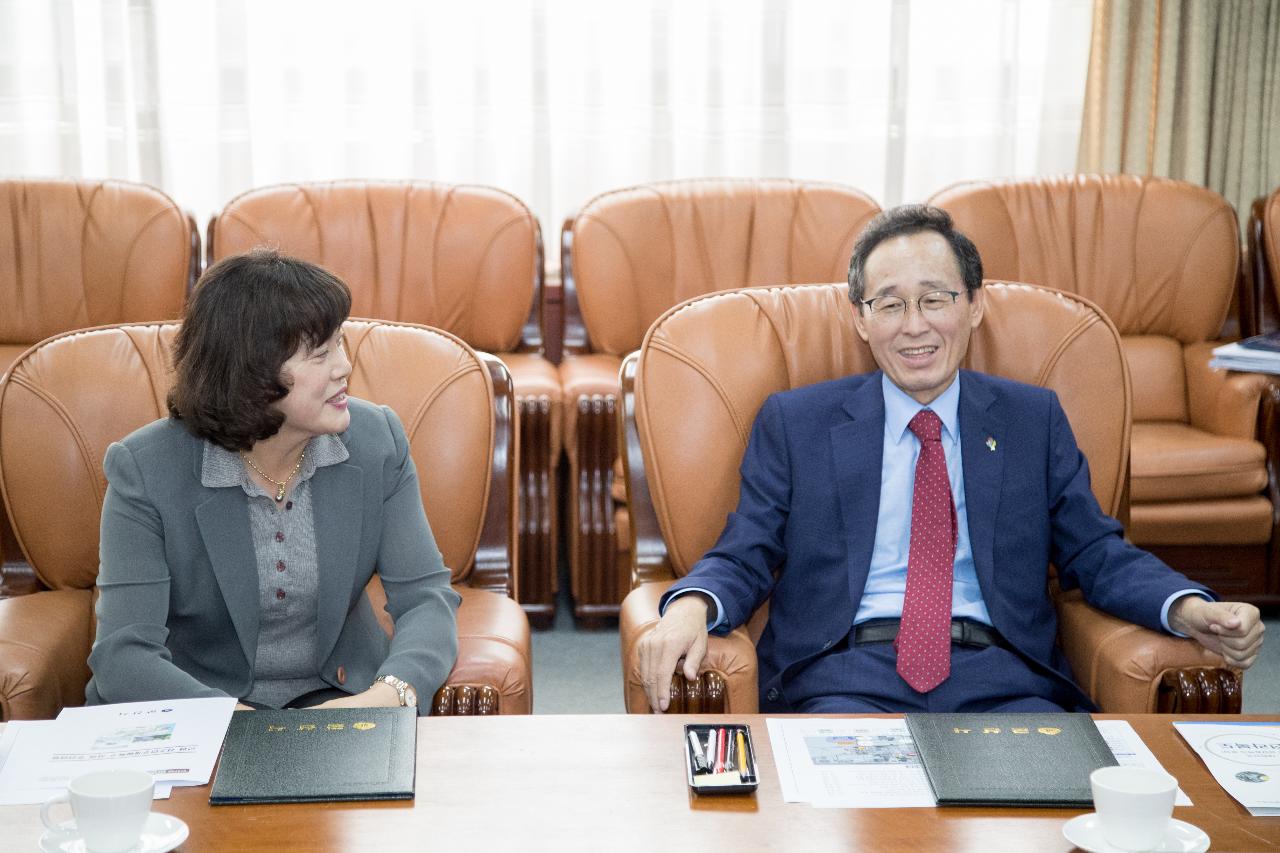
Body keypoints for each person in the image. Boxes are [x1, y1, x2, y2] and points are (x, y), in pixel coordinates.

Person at [638, 204, 1264, 714]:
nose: (915, 326)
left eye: (935, 299)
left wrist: (1187, 608)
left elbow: (1095, 552)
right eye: (889, 304)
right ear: (860, 319)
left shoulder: (1031, 419)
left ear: (974, 305)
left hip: (1005, 679)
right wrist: (691, 605)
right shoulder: (797, 422)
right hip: (843, 678)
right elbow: (747, 549)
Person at [86, 249, 460, 714]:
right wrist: (240, 726)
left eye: (339, 344)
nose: (343, 366)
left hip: (345, 701)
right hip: (201, 711)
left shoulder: (376, 441)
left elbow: (425, 599)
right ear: (251, 374)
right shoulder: (145, 470)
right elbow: (124, 655)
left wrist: (387, 697)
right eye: (321, 353)